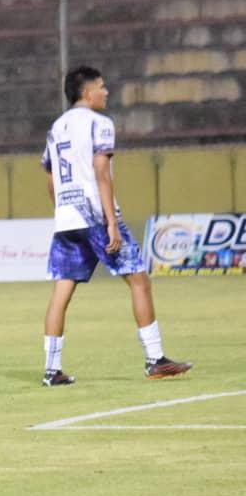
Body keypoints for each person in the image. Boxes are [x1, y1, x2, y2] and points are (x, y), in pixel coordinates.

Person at [42, 66, 192, 386]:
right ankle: (155, 360)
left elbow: (50, 178)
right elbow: (102, 173)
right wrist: (111, 223)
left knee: (61, 291)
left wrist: (63, 211)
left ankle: (51, 370)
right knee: (139, 280)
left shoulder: (56, 128)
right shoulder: (100, 124)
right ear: (87, 92)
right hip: (96, 216)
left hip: (67, 219)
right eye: (102, 86)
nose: (106, 91)